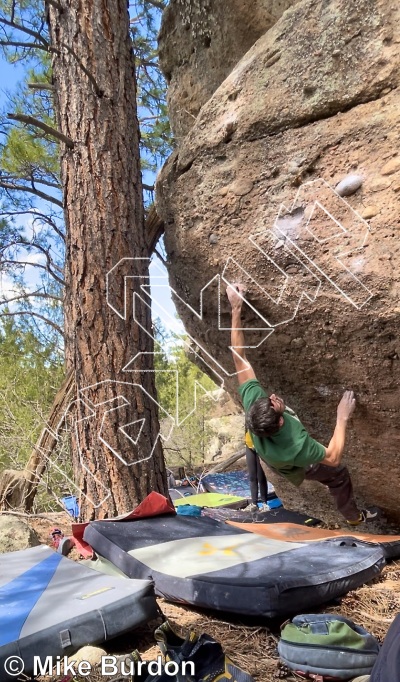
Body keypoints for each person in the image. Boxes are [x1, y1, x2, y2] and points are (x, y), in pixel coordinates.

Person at [226, 282, 378, 526]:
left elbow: (238, 355)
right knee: (338, 476)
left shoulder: (254, 403)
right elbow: (333, 457)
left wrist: (235, 307)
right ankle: (354, 517)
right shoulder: (296, 447)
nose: (274, 396)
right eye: (275, 403)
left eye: (270, 399)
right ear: (282, 421)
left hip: (273, 455)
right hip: (295, 464)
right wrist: (342, 417)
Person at [244, 430, 270, 512]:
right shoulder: (248, 418)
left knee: (261, 476)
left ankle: (264, 503)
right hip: (249, 445)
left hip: (260, 443)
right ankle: (254, 503)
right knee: (252, 476)